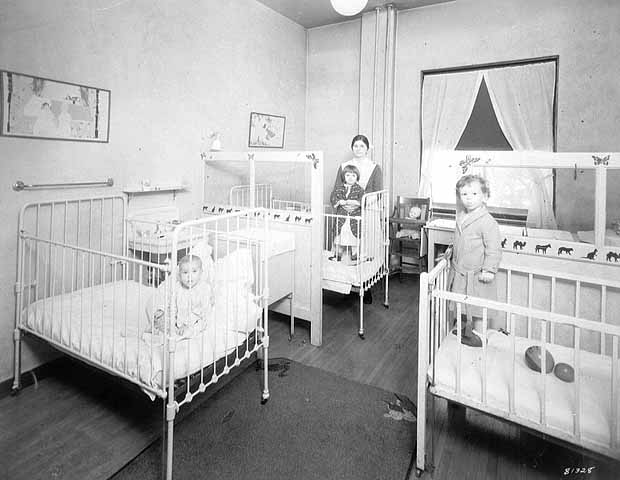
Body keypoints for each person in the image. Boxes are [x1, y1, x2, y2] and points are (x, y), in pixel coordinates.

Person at [449, 174, 502, 347]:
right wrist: (450, 251)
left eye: (474, 194)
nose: (469, 199)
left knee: (478, 308)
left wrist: (489, 269)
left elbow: (493, 248)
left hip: (478, 274)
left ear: (485, 197)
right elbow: (460, 239)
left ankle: (479, 335)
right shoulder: (461, 216)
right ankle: (465, 329)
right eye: (464, 195)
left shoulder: (488, 221)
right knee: (462, 304)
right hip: (460, 272)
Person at [332, 134, 383, 303]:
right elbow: (337, 188)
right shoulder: (344, 166)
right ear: (351, 148)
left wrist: (359, 203)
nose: (359, 149)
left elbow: (377, 191)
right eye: (356, 146)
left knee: (365, 247)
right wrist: (344, 203)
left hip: (367, 210)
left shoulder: (374, 167)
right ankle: (345, 284)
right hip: (346, 212)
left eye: (362, 146)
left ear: (367, 148)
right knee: (347, 245)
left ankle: (365, 285)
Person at [147, 254, 215, 339]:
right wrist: (163, 310)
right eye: (185, 272)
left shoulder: (203, 288)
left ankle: (175, 333)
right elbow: (171, 302)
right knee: (160, 317)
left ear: (201, 272)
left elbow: (200, 312)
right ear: (179, 274)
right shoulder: (178, 287)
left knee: (197, 327)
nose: (189, 276)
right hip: (178, 319)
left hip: (194, 320)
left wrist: (186, 324)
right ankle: (164, 329)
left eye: (194, 271)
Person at [330, 164, 365, 261]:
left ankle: (355, 255)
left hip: (354, 216)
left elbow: (363, 200)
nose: (350, 178)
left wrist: (355, 203)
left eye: (353, 176)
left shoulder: (359, 189)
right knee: (340, 235)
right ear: (343, 176)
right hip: (342, 215)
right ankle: (338, 254)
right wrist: (340, 202)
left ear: (357, 177)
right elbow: (333, 197)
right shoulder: (339, 188)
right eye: (348, 175)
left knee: (354, 236)